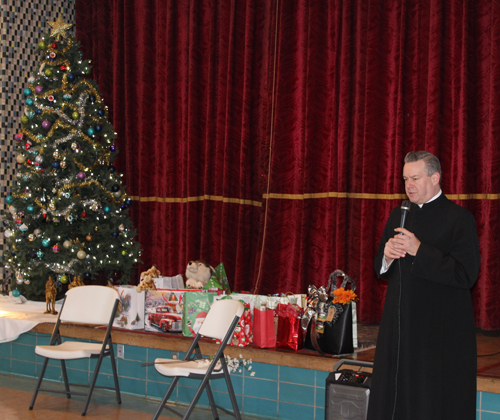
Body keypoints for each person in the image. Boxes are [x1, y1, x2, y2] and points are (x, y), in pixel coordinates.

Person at [367, 151, 481, 420]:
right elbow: (379, 269)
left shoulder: (459, 219)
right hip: (399, 330)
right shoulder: (398, 215)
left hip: (437, 336)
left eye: (415, 178)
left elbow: (466, 274)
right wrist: (385, 256)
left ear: (435, 178)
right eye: (406, 179)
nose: (409, 185)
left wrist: (420, 250)